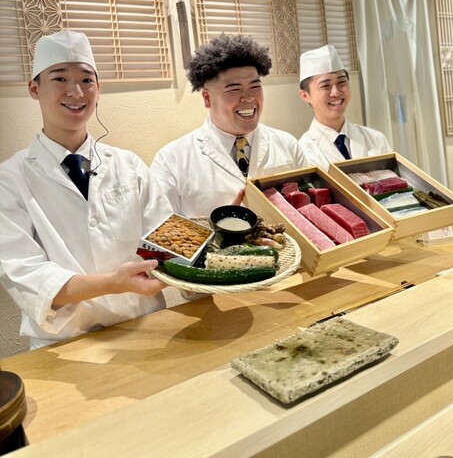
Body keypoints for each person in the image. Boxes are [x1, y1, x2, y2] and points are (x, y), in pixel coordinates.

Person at [0, 29, 172, 349]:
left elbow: (165, 238)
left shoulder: (129, 165)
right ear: (34, 88)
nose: (76, 91)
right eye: (60, 78)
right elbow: (27, 276)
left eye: (86, 79)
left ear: (98, 89)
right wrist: (113, 283)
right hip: (65, 344)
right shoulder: (9, 179)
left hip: (145, 327)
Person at [150, 34, 309, 217]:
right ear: (207, 98)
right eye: (234, 89)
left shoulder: (288, 145)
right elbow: (161, 229)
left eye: (255, 87)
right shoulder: (171, 160)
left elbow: (310, 207)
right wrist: (220, 229)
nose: (248, 98)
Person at [298, 44, 392, 168]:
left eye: (342, 82)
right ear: (305, 96)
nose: (336, 92)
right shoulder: (303, 152)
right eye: (325, 86)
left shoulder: (376, 139)